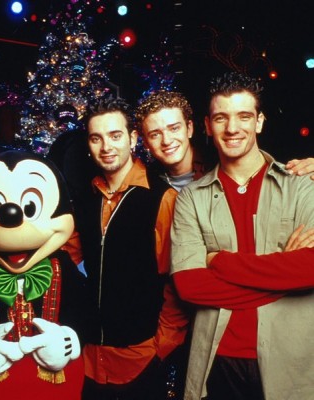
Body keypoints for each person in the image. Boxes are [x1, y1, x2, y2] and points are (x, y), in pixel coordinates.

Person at [170, 71, 314, 400]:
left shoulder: (301, 184)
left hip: (291, 361)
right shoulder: (192, 198)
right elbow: (190, 285)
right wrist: (284, 277)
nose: (232, 128)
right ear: (208, 126)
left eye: (244, 116)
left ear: (259, 122)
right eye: (221, 118)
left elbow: (311, 267)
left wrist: (221, 261)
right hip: (218, 361)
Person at [70, 97, 189, 400]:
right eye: (96, 138)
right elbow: (68, 264)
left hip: (140, 359)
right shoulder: (85, 198)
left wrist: (160, 348)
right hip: (87, 359)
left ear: (133, 138)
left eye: (115, 135)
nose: (106, 147)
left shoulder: (162, 198)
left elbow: (176, 281)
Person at [135, 89, 314, 193]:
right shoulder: (145, 183)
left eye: (174, 128)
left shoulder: (223, 160)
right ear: (145, 142)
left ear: (189, 129)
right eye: (155, 134)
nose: (167, 140)